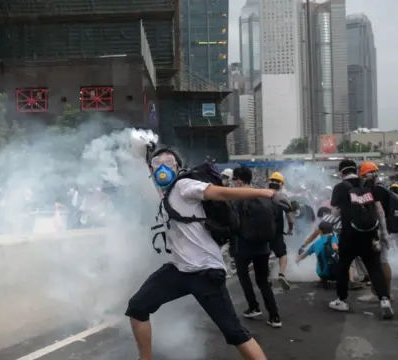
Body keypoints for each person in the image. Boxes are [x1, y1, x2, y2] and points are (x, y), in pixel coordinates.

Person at [125, 148, 291, 360]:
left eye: (170, 162)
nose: (163, 168)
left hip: (205, 273)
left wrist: (269, 193)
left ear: (178, 168)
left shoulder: (185, 186)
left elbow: (221, 193)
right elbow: (154, 180)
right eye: (158, 163)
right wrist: (142, 156)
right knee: (137, 308)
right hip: (179, 270)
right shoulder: (166, 193)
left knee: (235, 333)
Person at [329, 160, 393, 319]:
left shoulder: (340, 187)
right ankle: (384, 299)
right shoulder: (369, 185)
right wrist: (384, 234)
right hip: (370, 233)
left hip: (349, 233)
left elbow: (335, 213)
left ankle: (342, 300)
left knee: (343, 266)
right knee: (374, 267)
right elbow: (379, 211)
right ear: (356, 170)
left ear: (341, 172)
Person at [231, 166, 281, 328]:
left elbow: (232, 223)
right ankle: (274, 317)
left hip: (243, 246)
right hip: (263, 246)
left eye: (234, 180)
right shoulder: (264, 196)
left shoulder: (237, 198)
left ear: (239, 180)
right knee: (263, 281)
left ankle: (253, 307)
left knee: (244, 277)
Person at [355, 161, 395, 303]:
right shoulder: (384, 189)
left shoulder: (372, 191)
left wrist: (383, 233)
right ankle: (385, 292)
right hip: (382, 230)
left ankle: (384, 293)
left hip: (374, 230)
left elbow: (380, 212)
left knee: (377, 262)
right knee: (382, 261)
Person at [266, 172, 295, 290]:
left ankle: (267, 277)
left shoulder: (262, 194)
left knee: (265, 255)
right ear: (281, 184)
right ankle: (281, 274)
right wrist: (290, 229)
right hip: (276, 232)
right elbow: (290, 218)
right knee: (282, 254)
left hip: (262, 232)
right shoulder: (282, 197)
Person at [297, 221, 339, 287]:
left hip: (321, 274)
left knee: (321, 260)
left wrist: (297, 260)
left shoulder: (316, 243)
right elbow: (335, 247)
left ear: (320, 231)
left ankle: (323, 280)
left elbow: (304, 255)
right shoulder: (333, 238)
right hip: (334, 273)